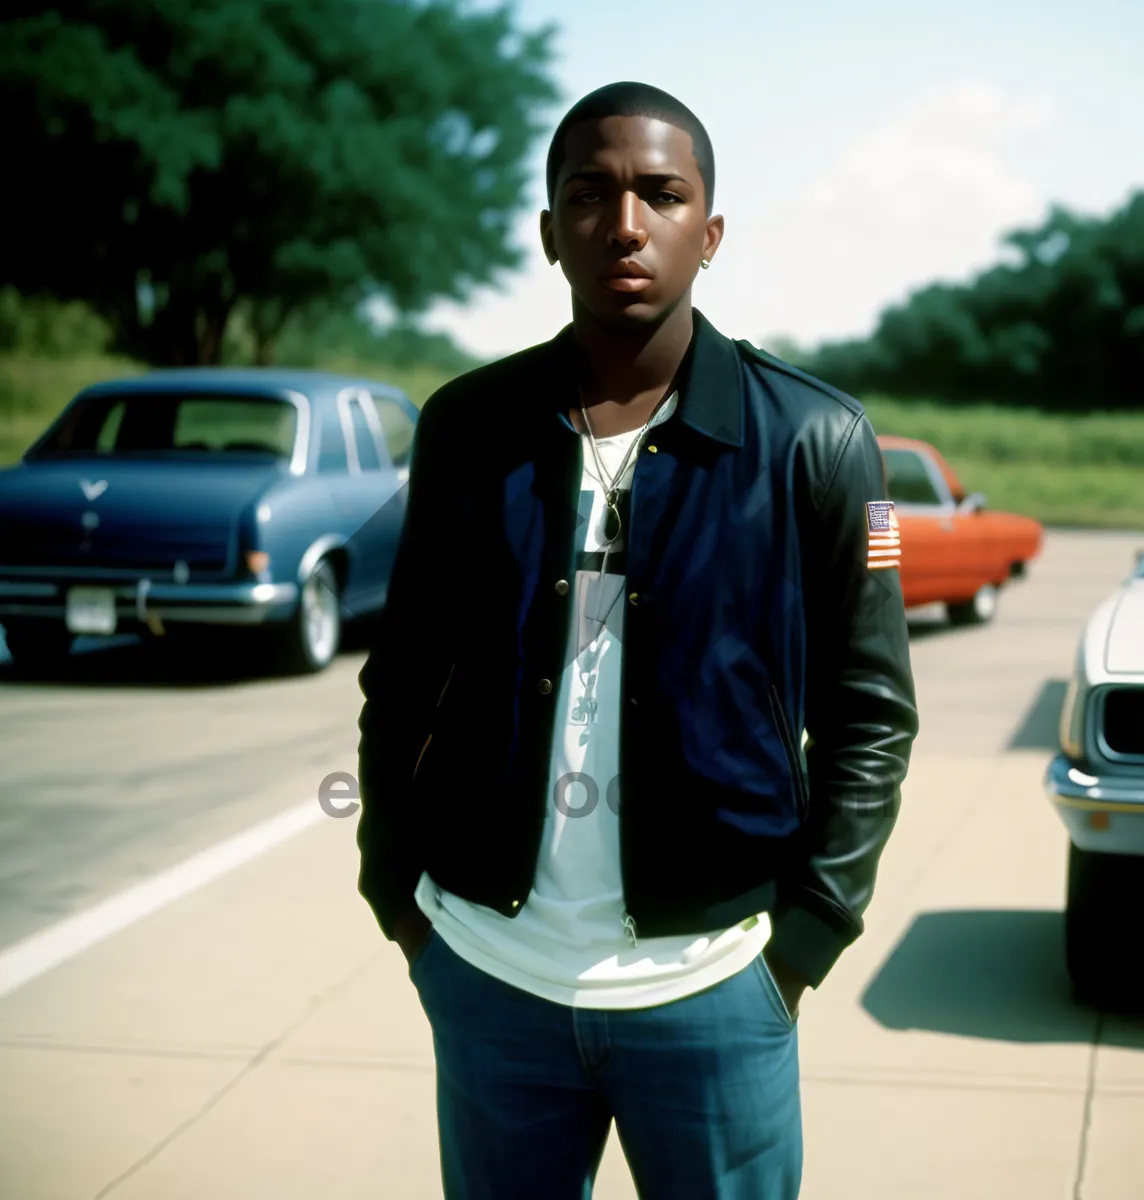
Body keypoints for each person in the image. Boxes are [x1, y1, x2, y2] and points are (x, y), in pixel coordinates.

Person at [356, 80, 919, 1200]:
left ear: (708, 235)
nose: (625, 224)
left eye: (661, 195)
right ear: (550, 229)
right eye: (591, 194)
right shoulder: (467, 430)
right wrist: (395, 890)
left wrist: (803, 943)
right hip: (489, 978)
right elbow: (403, 678)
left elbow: (872, 716)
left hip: (715, 988)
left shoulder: (820, 438)